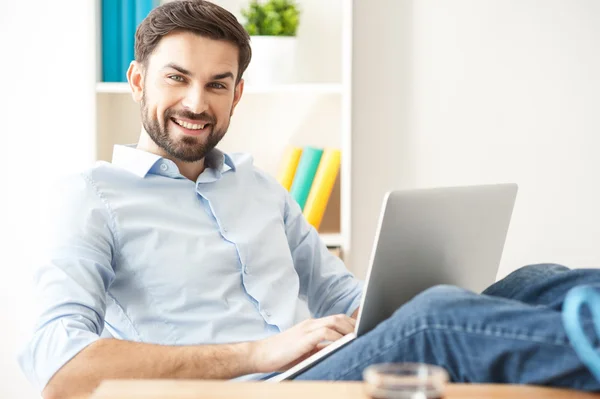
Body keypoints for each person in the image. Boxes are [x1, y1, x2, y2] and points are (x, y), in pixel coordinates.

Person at [18, 1, 600, 398]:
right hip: (259, 390)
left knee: (537, 278)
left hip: (324, 368)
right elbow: (59, 365)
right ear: (139, 80)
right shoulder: (90, 196)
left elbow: (346, 296)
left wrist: (376, 308)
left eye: (217, 84)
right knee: (435, 323)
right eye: (177, 78)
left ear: (238, 94)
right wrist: (257, 353)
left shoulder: (258, 186)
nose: (197, 102)